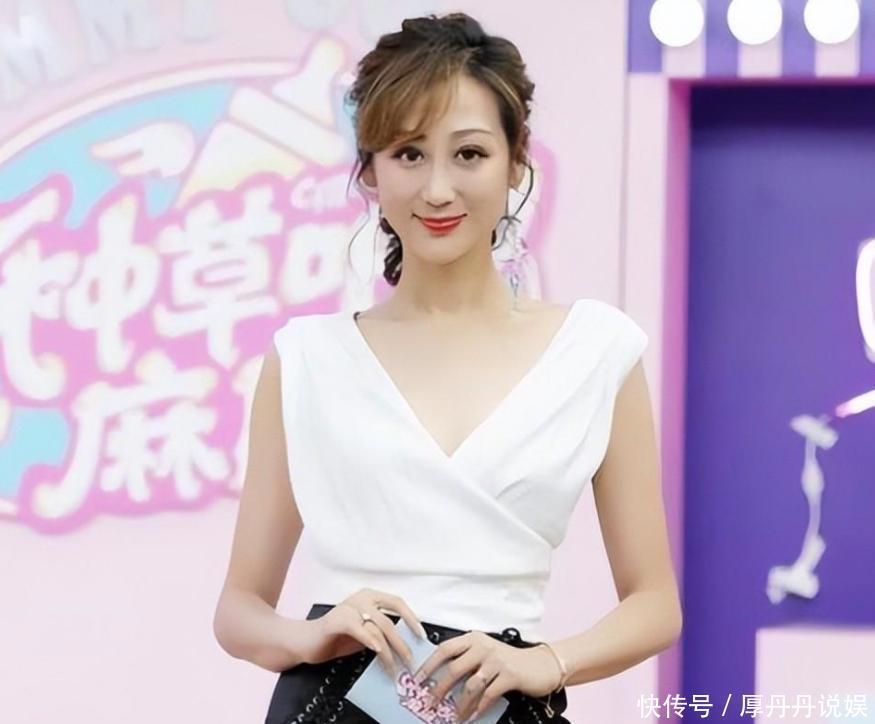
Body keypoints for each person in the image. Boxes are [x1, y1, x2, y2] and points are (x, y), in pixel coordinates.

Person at [213, 12, 682, 724]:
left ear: (515, 162)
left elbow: (654, 603)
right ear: (369, 171)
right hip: (332, 705)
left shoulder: (595, 351)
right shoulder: (306, 359)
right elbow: (238, 609)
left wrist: (545, 662)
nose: (437, 189)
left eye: (468, 154)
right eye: (408, 153)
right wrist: (312, 636)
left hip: (502, 701)